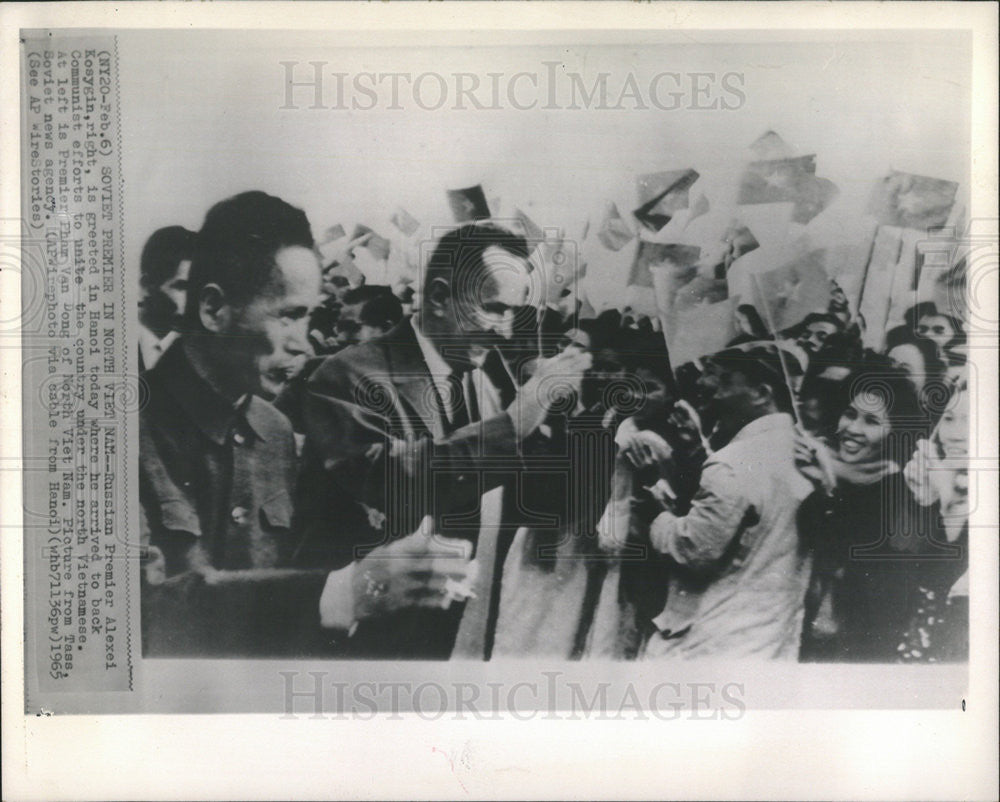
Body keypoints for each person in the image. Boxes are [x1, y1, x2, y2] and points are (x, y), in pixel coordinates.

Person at [297, 222, 592, 658]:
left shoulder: (485, 385)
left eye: (514, 312)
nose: (504, 331)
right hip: (368, 651)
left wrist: (567, 419)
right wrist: (515, 423)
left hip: (454, 644)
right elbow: (387, 480)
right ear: (438, 297)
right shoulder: (350, 375)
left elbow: (540, 503)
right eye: (493, 308)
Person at [140, 191, 324, 655]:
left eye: (309, 318)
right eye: (289, 316)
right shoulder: (116, 430)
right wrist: (336, 595)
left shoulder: (275, 430)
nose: (305, 345)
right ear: (214, 309)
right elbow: (129, 619)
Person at [628, 345, 814, 659]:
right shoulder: (808, 452)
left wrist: (651, 503)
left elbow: (692, 549)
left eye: (726, 382)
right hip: (770, 635)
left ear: (761, 393)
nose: (711, 391)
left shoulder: (733, 462)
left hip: (712, 640)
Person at [795, 363, 954, 662]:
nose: (852, 428)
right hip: (808, 641)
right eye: (850, 413)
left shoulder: (901, 492)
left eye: (871, 421)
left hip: (856, 654)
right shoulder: (830, 471)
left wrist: (826, 488)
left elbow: (925, 571)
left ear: (895, 432)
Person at [138, 225, 196, 371]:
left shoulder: (197, 356)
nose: (195, 302)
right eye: (183, 287)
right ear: (147, 286)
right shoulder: (108, 343)